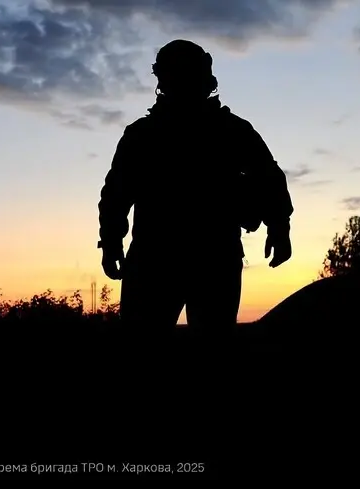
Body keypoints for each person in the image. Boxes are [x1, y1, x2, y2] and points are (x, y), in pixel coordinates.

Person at [97, 39, 293, 337]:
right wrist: (110, 241)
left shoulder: (145, 134)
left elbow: (269, 178)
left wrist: (280, 227)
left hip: (189, 260)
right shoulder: (227, 130)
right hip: (180, 260)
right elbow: (116, 194)